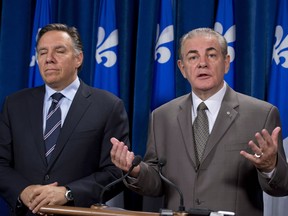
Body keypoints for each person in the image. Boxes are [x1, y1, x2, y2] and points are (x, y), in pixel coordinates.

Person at [110, 28, 288, 216]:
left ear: (226, 63)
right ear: (182, 68)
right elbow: (156, 184)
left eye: (211, 55)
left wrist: (270, 167)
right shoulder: (161, 117)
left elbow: (282, 187)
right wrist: (135, 170)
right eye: (193, 57)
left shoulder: (261, 114)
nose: (202, 64)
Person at [0, 23, 130, 215]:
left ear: (78, 58)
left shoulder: (108, 106)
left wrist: (68, 193)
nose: (49, 59)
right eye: (42, 52)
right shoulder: (15, 104)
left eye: (59, 51)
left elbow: (115, 172)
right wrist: (23, 191)